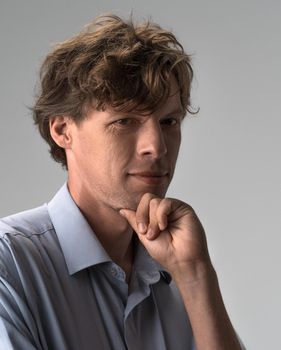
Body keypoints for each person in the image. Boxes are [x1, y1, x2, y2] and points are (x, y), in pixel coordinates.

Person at [0, 14, 245, 350]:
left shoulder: (181, 271)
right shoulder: (10, 264)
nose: (156, 147)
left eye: (169, 121)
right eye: (125, 120)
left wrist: (196, 274)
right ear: (62, 131)